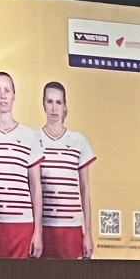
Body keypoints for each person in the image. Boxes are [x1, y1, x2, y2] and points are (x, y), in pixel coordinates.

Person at [0, 71, 45, 259]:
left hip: (22, 226)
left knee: (18, 277)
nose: (2, 96)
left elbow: (36, 186)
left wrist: (38, 231)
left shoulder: (29, 136)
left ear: (14, 95)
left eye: (7, 90)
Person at [35, 81, 97, 259]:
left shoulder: (78, 141)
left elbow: (84, 188)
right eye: (50, 102)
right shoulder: (34, 139)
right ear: (43, 104)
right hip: (45, 228)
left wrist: (88, 232)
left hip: (72, 229)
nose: (54, 108)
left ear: (65, 106)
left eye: (58, 102)